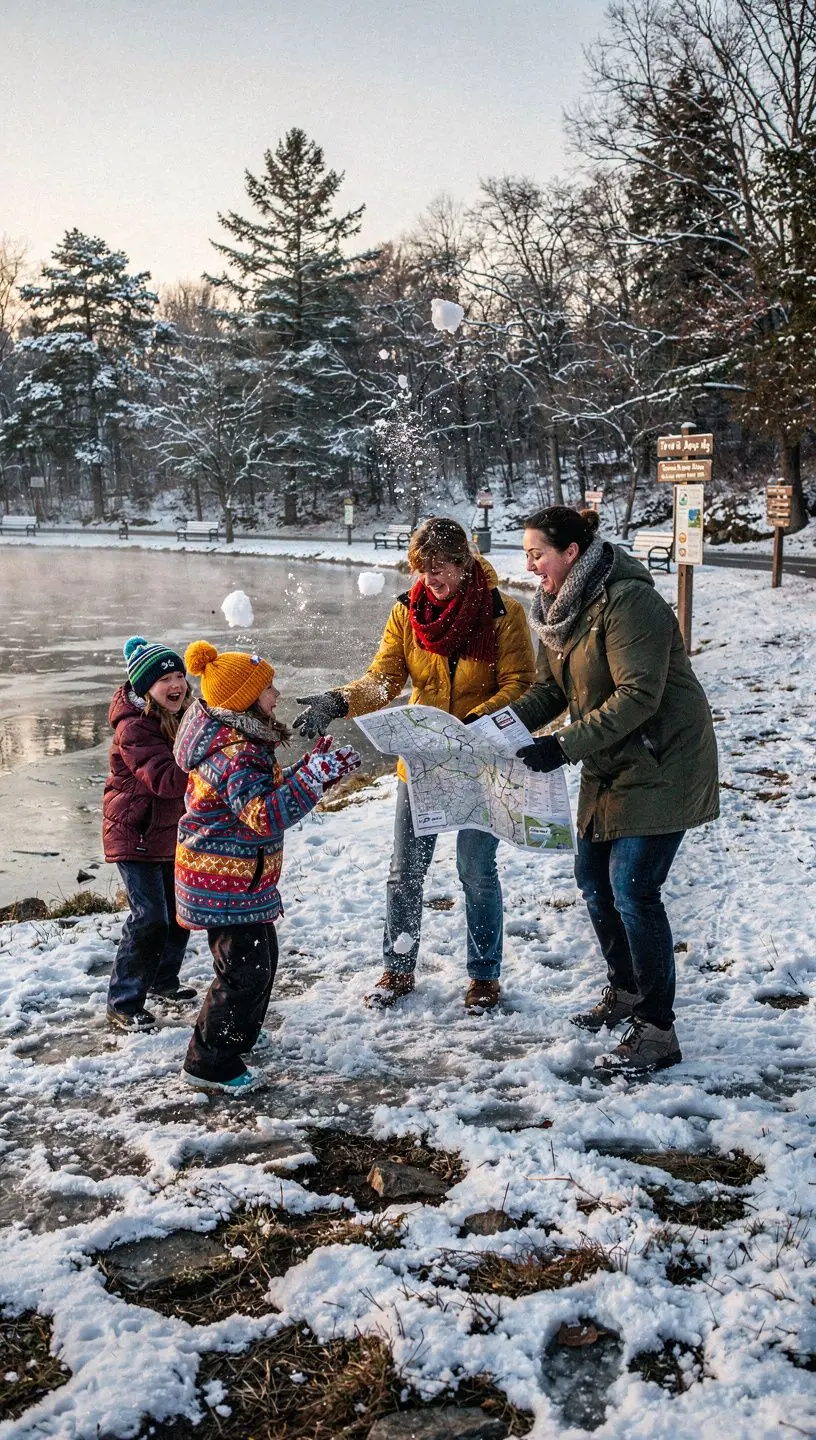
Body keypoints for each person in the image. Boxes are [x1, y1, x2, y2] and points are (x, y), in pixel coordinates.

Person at [293, 517, 536, 1011]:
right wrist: (339, 702)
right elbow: (382, 681)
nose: (432, 578)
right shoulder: (406, 613)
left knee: (476, 871)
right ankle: (398, 968)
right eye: (423, 569)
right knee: (406, 871)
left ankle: (484, 976)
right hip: (422, 762)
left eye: (442, 566)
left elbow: (521, 684)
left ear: (465, 563)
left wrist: (474, 722)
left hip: (479, 757)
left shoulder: (502, 612)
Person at [511, 506, 719, 1073]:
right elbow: (546, 692)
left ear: (571, 552)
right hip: (609, 761)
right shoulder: (557, 612)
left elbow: (637, 697)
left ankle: (657, 1030)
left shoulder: (630, 603)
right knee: (593, 881)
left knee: (633, 888)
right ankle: (625, 991)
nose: (530, 566)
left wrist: (561, 747)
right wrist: (494, 728)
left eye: (537, 554)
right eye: (527, 554)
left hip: (662, 760)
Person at [174, 640, 361, 1093]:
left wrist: (310, 768)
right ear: (245, 702)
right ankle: (208, 1062)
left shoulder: (241, 743)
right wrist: (313, 782)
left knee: (260, 962)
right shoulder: (234, 754)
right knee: (242, 972)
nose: (277, 695)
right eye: (269, 689)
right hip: (225, 883)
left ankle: (238, 1037)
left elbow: (267, 789)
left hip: (240, 880)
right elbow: (264, 815)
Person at [103, 635, 195, 1031]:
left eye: (180, 676)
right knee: (150, 917)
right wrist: (209, 764)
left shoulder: (186, 713)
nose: (177, 685)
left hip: (168, 831)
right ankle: (123, 1001)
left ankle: (161, 980)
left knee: (179, 914)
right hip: (134, 832)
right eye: (166, 680)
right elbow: (166, 780)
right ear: (145, 689)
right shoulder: (134, 729)